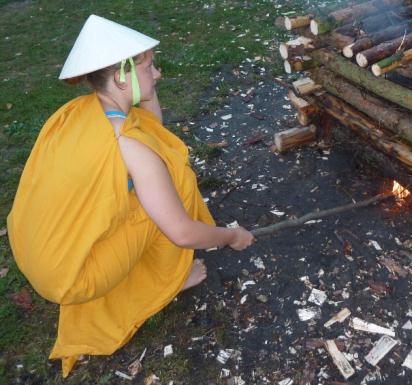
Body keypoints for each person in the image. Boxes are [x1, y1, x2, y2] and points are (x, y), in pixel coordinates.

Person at [7, 14, 254, 377]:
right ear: (122, 76)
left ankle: (156, 267)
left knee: (158, 178)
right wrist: (232, 236)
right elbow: (182, 233)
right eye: (150, 67)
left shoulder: (78, 112)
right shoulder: (130, 146)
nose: (157, 74)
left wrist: (145, 87)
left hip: (35, 251)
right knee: (175, 190)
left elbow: (153, 129)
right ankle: (171, 281)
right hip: (69, 277)